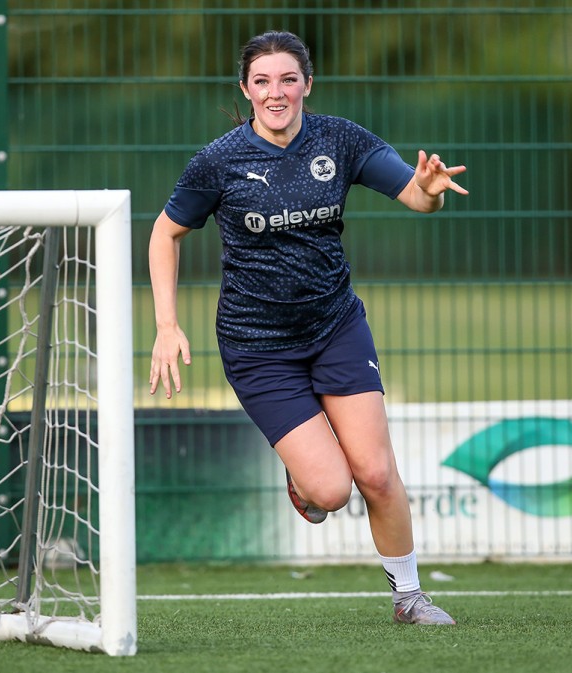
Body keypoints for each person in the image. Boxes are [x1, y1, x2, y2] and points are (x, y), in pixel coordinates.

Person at [149, 30, 467, 625]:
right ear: (245, 90)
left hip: (335, 326)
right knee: (331, 491)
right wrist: (167, 325)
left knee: (375, 473)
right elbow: (164, 233)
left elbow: (420, 198)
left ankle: (409, 598)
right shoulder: (218, 161)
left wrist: (429, 191)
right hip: (257, 346)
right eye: (263, 81)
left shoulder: (340, 140)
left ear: (307, 85)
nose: (276, 93)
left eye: (288, 79)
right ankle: (303, 480)